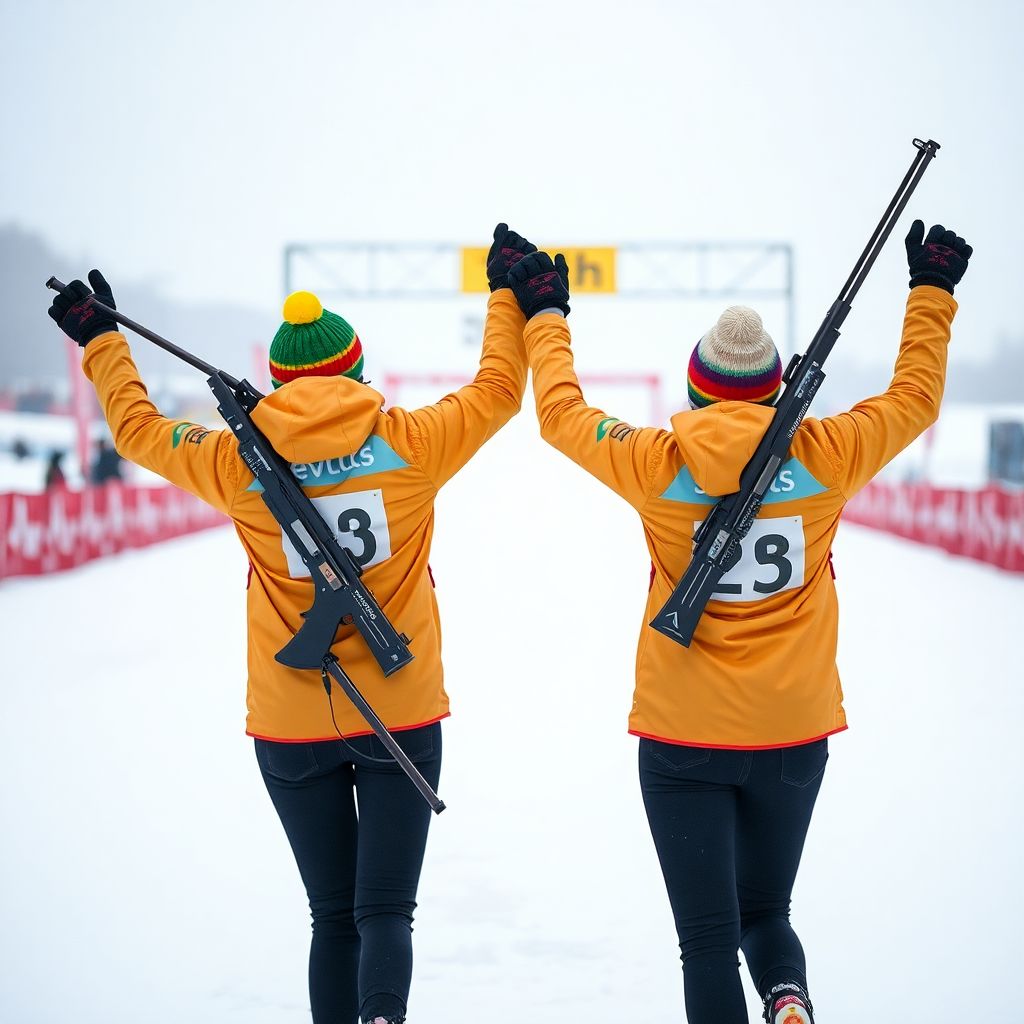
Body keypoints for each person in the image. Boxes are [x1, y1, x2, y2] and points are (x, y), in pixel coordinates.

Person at [46, 222, 535, 1024]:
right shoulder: (411, 442)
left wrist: (102, 341)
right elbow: (496, 392)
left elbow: (136, 432)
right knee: (384, 915)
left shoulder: (236, 459)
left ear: (276, 380)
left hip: (288, 720)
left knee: (330, 919)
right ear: (356, 368)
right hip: (402, 709)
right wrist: (506, 298)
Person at [506, 221, 972, 1024]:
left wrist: (545, 313)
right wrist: (930, 293)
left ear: (695, 389)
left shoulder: (654, 462)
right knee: (768, 912)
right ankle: (787, 998)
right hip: (793, 735)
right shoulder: (827, 454)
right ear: (776, 387)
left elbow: (560, 414)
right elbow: (915, 400)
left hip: (683, 738)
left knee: (708, 943)